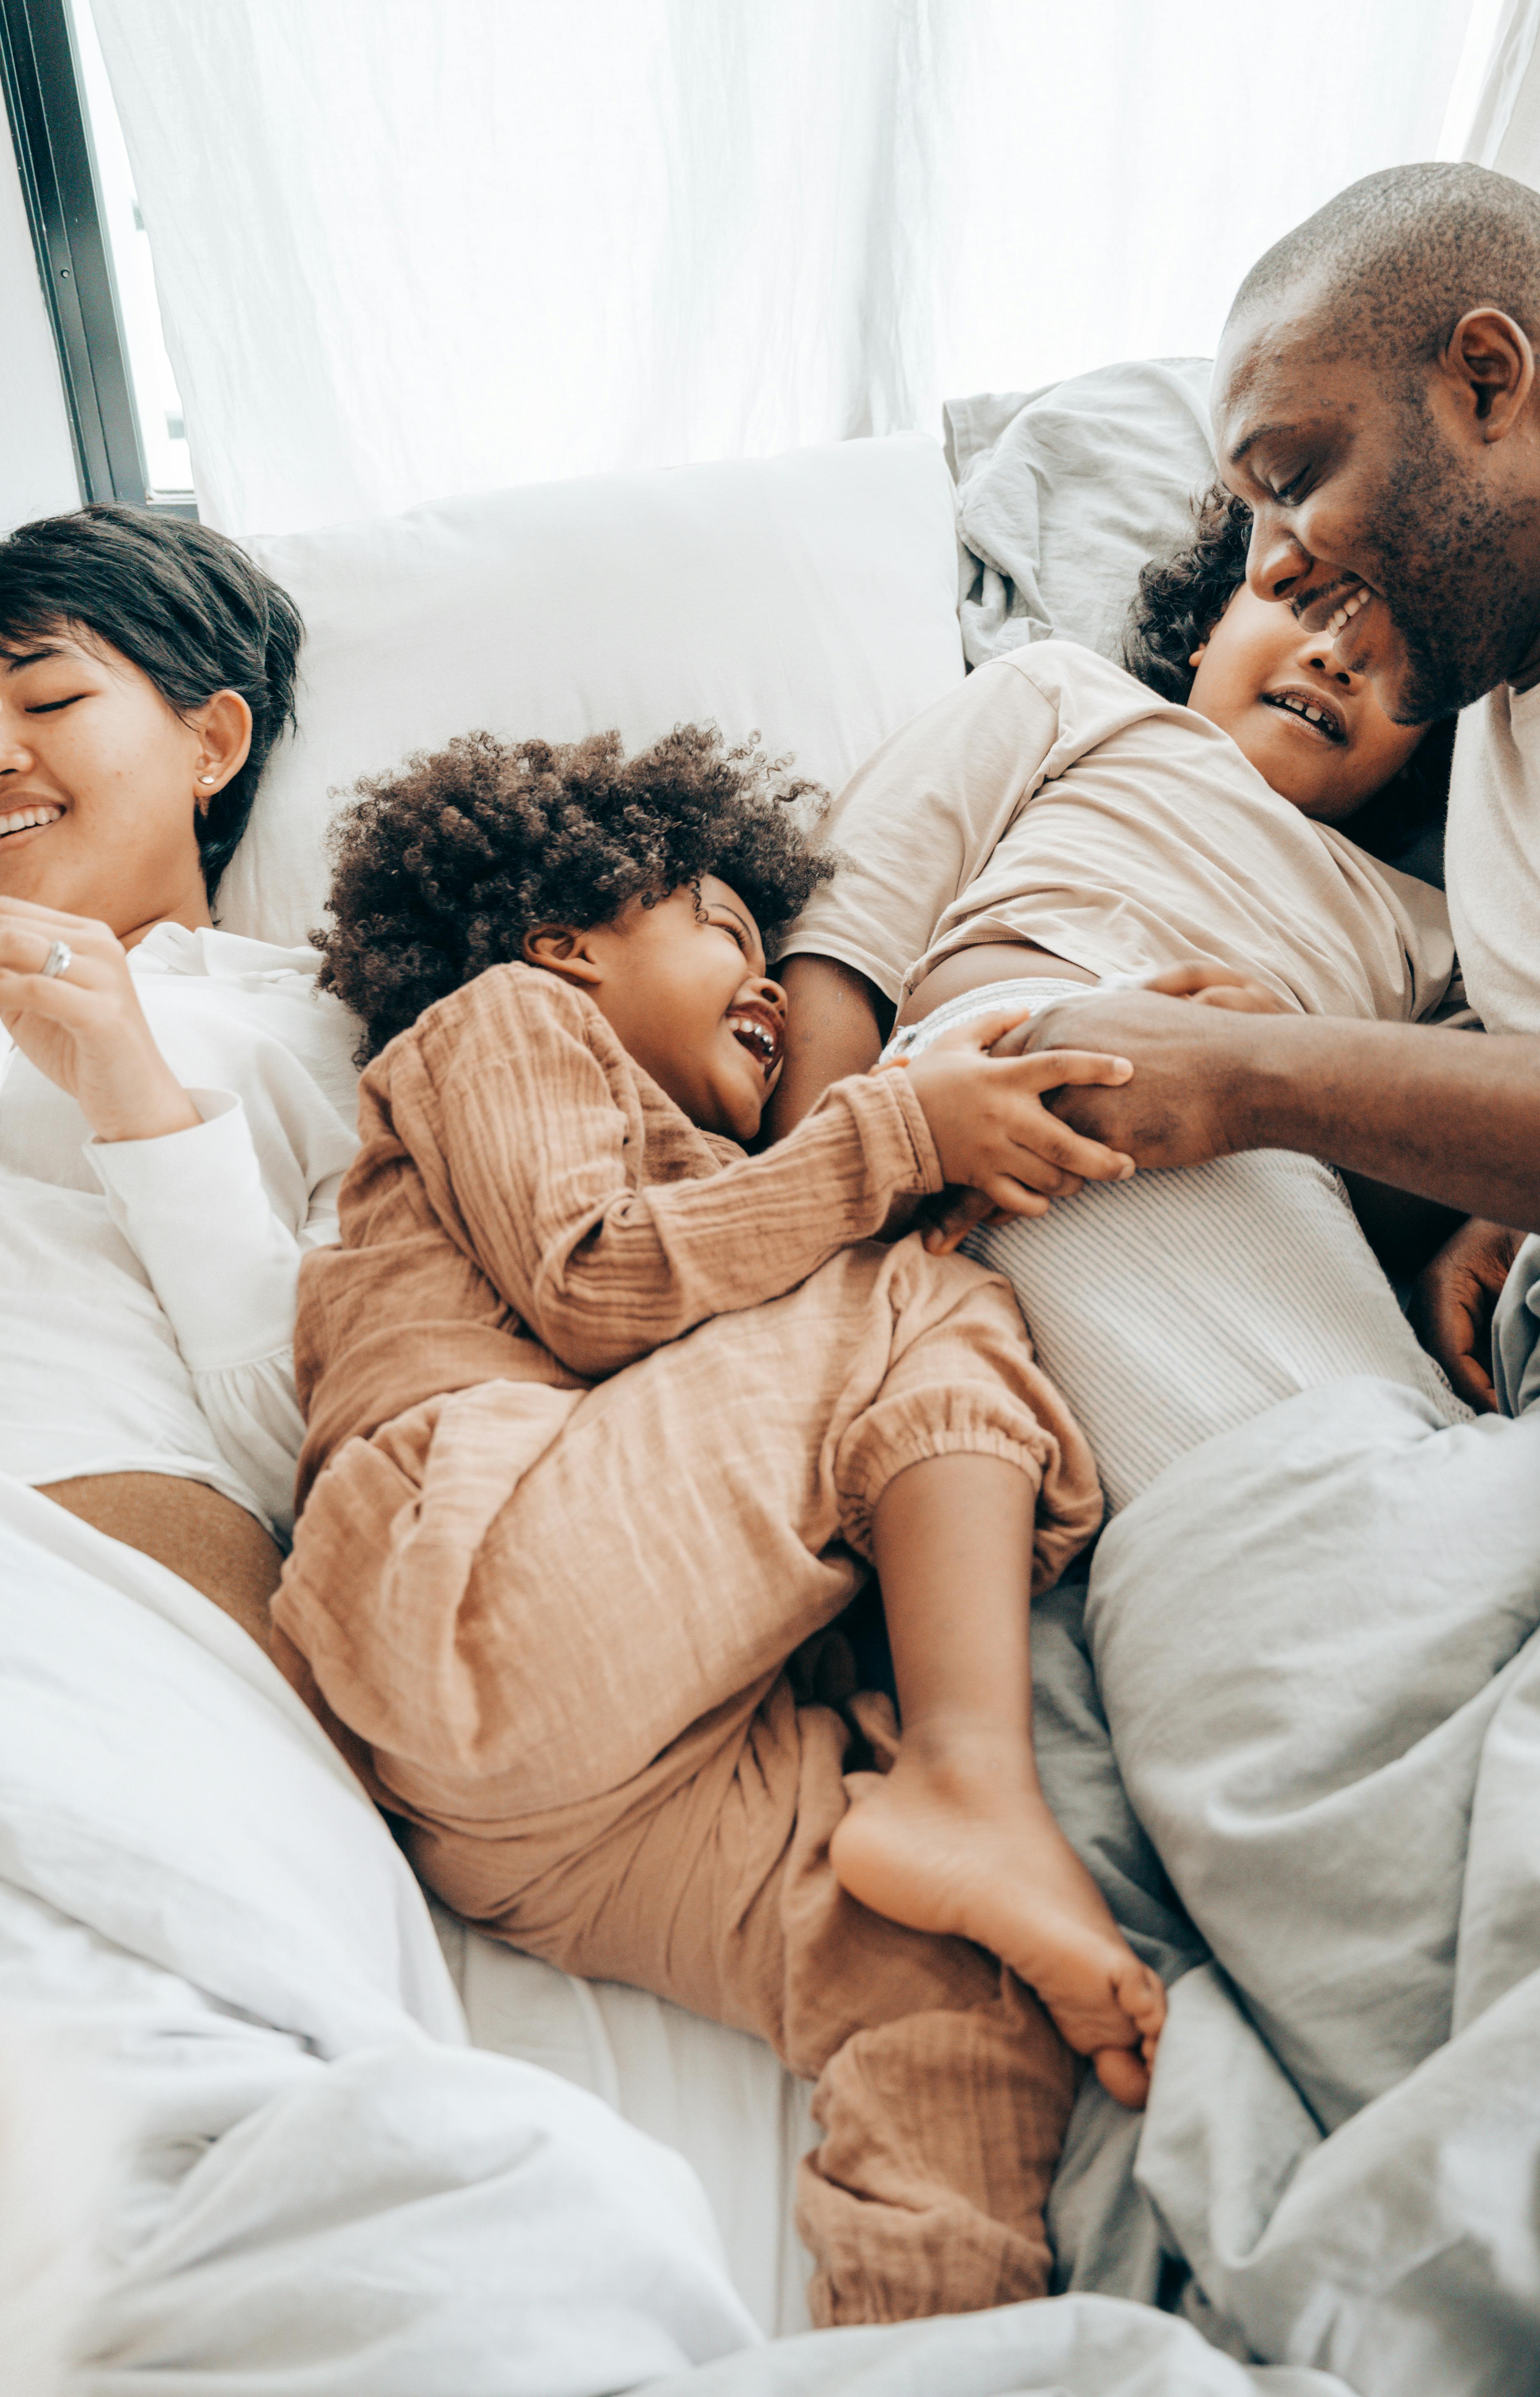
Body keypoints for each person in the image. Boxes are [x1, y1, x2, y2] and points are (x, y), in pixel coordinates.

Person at [277, 721, 1168, 2325]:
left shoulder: (743, 1194)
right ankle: (974, 1774)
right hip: (467, 1574)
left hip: (561, 1810)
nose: (763, 976)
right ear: (566, 935)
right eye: (717, 924)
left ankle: (935, 2345)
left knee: (957, 1995)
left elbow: (746, 1362)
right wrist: (906, 1139)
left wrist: (1042, 1098)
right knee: (919, 1296)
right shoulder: (505, 1021)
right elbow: (601, 1276)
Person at [971, 162, 1540, 1408]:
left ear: (1488, 382)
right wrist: (1515, 1208)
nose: (1274, 573)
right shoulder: (1498, 695)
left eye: (1289, 484)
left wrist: (1255, 1075)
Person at [770, 491, 1466, 1516]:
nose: (1337, 656)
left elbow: (1428, 1167)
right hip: (994, 1087)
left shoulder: (1437, 929)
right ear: (1205, 629)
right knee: (1315, 1491)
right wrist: (818, 1210)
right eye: (1307, 600)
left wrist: (1293, 1071)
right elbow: (844, 933)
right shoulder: (1074, 698)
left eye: (1396, 650)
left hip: (1268, 1162)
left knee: (1370, 1448)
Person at [0, 505, 359, 1648]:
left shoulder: (323, 1026)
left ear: (211, 744)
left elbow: (322, 1451)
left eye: (48, 701)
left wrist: (139, 1105)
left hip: (87, 1521)